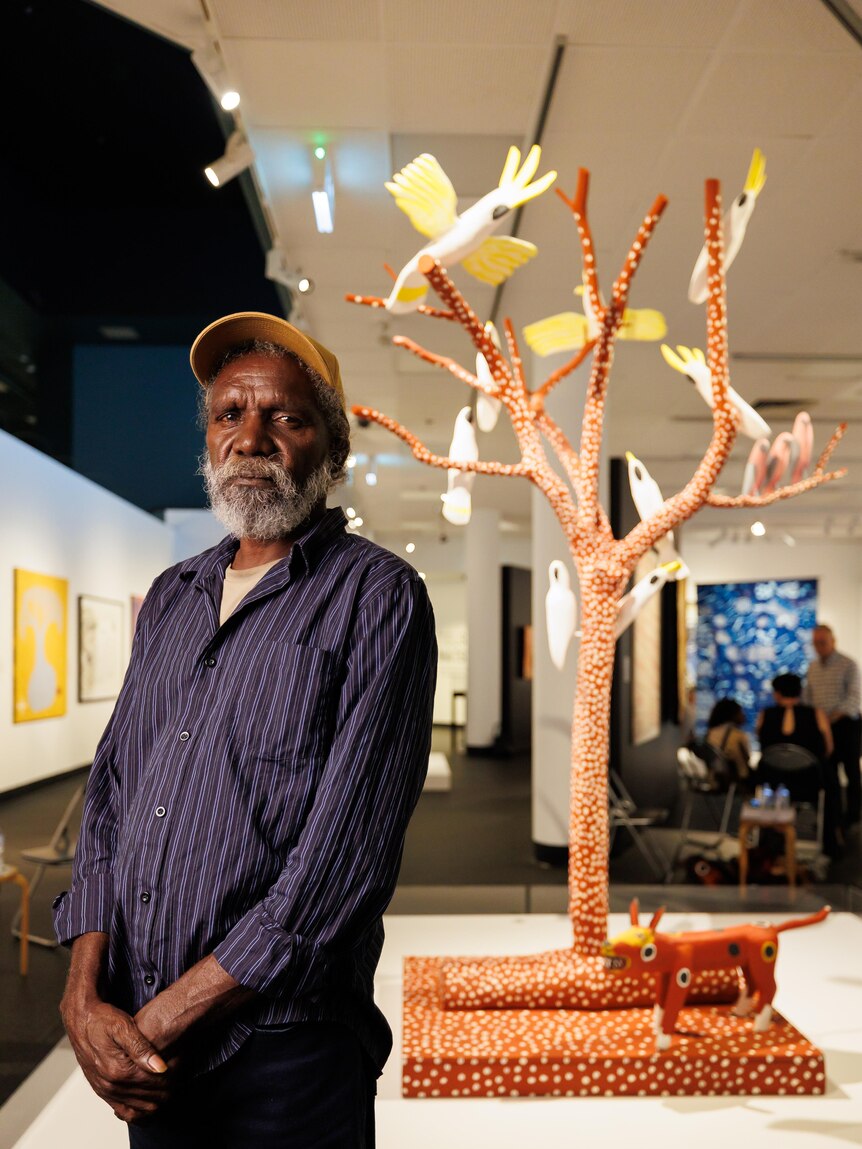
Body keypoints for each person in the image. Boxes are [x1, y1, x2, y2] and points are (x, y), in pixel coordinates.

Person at [53, 312, 437, 1148]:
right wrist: (83, 999)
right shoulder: (172, 596)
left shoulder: (378, 597)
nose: (251, 436)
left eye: (286, 417)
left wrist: (163, 1017)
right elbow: (111, 798)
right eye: (230, 413)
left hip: (283, 1051)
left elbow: (344, 861)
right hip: (146, 1051)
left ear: (330, 453)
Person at [803, 623, 861, 828]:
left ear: (832, 641)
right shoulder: (812, 667)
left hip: (845, 725)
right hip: (823, 727)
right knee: (828, 772)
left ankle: (854, 815)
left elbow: (853, 699)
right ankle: (833, 816)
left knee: (852, 771)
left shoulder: (848, 664)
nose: (819, 646)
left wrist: (829, 718)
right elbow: (807, 698)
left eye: (822, 642)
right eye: (815, 643)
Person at [705, 698, 752, 784]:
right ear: (734, 714)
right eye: (741, 712)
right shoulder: (738, 735)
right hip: (737, 780)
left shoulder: (711, 733)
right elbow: (747, 758)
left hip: (714, 778)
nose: (743, 715)